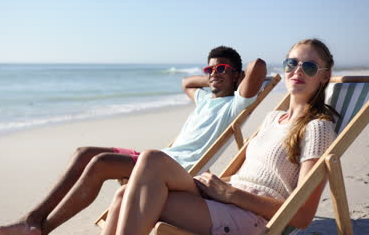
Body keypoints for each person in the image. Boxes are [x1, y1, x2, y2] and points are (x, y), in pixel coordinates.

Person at [0, 46, 267, 235]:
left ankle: (39, 229)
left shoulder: (235, 104)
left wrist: (236, 76)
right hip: (157, 156)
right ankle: (33, 219)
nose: (215, 74)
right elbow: (185, 83)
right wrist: (211, 79)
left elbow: (258, 67)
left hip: (175, 171)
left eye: (222, 70)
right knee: (85, 152)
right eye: (210, 70)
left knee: (101, 163)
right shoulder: (205, 98)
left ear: (236, 76)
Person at [103, 39, 338, 235]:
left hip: (249, 216)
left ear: (324, 77)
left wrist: (230, 194)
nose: (297, 71)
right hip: (224, 196)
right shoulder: (273, 118)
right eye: (291, 63)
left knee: (136, 187)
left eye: (308, 67)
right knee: (144, 168)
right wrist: (222, 187)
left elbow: (303, 215)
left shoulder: (318, 128)